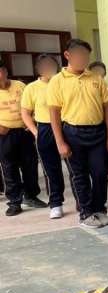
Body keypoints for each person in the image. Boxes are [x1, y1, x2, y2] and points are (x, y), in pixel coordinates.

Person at [47, 39, 108, 228]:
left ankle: (100, 209)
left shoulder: (96, 79)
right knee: (79, 175)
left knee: (100, 172)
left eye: (86, 55)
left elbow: (107, 109)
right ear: (68, 55)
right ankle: (86, 213)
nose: (83, 59)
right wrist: (60, 142)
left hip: (98, 133)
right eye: (79, 55)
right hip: (72, 132)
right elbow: (54, 113)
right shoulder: (57, 81)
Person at [0, 59, 46, 216]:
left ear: (6, 72)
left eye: (1, 71)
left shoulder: (20, 86)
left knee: (30, 165)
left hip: (24, 132)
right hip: (4, 136)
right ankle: (14, 202)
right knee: (9, 168)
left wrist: (31, 120)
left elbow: (31, 104)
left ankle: (31, 196)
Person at [20, 54, 64, 219]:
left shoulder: (62, 82)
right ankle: (56, 203)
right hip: (44, 128)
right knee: (51, 169)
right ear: (38, 69)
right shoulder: (31, 88)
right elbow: (25, 112)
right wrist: (36, 132)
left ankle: (83, 201)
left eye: (51, 64)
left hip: (65, 126)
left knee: (76, 167)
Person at [88, 61, 108, 177]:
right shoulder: (89, 88)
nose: (98, 73)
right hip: (96, 123)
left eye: (100, 71)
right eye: (95, 70)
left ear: (105, 73)